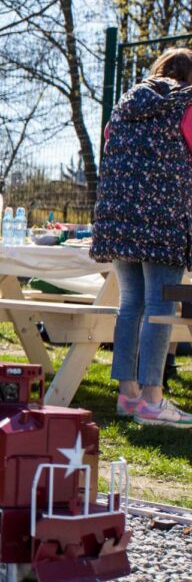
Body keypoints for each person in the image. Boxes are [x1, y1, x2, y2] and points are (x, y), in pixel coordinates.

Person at [92, 47, 192, 428]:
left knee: (131, 303)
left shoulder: (125, 106)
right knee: (160, 306)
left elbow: (108, 146)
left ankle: (127, 395)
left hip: (118, 218)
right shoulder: (186, 105)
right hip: (163, 220)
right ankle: (153, 400)